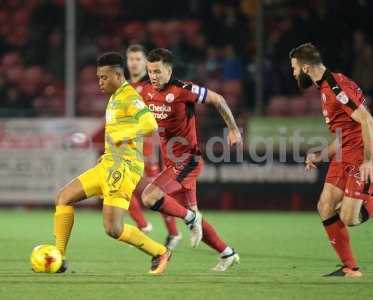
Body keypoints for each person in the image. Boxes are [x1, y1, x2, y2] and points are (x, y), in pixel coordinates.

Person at [53, 52, 173, 275]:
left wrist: (125, 134)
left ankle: (160, 252)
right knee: (64, 197)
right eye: (98, 78)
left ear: (118, 75)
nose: (100, 82)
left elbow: (150, 124)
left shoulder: (130, 97)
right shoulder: (115, 97)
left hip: (124, 168)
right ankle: (58, 257)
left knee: (113, 229)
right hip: (108, 164)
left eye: (103, 78)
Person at [289, 42, 373, 277]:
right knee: (325, 205)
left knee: (350, 217)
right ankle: (351, 268)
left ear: (306, 67)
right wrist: (321, 156)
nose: (294, 73)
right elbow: (344, 133)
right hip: (345, 152)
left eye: (295, 68)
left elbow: (367, 121)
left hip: (361, 153)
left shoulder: (334, 86)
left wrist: (368, 161)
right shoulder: (327, 86)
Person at [140, 48, 242, 271]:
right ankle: (227, 253)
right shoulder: (146, 91)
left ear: (169, 69)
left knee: (150, 197)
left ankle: (191, 218)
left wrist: (233, 130)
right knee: (192, 218)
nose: (153, 76)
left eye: (157, 71)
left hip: (187, 161)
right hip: (171, 163)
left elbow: (218, 99)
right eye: (150, 71)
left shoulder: (182, 90)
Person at [126, 44, 182, 249]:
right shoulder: (125, 87)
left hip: (145, 146)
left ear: (145, 62)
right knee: (117, 186)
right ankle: (146, 226)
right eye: (130, 59)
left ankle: (168, 231)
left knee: (152, 192)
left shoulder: (151, 86)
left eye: (138, 59)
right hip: (128, 145)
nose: (134, 63)